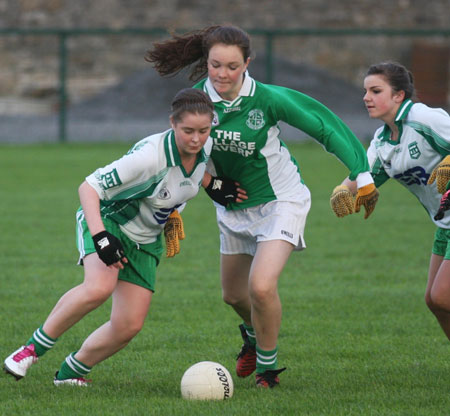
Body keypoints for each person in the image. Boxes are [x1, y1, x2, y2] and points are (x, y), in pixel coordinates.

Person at [146, 25, 379, 388]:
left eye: (232, 66)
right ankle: (254, 338)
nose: (223, 74)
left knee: (261, 287)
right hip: (233, 210)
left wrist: (360, 173)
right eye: (216, 65)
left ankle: (267, 372)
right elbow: (183, 157)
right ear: (206, 63)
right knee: (234, 295)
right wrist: (175, 208)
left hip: (280, 200)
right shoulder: (196, 102)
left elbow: (322, 125)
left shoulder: (266, 98)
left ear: (248, 64)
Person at [3, 88, 219, 386]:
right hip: (109, 221)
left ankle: (70, 374)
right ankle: (28, 351)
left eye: (203, 131)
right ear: (172, 123)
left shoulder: (205, 148)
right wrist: (101, 237)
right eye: (188, 131)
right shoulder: (149, 158)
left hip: (146, 238)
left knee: (128, 325)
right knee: (98, 288)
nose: (196, 139)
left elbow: (192, 172)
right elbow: (88, 187)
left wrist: (214, 184)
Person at [330, 61, 450, 341]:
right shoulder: (382, 142)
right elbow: (360, 177)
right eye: (365, 91)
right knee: (434, 302)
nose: (366, 97)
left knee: (442, 296)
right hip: (444, 224)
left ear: (399, 95)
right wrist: (341, 192)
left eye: (375, 90)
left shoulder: (422, 118)